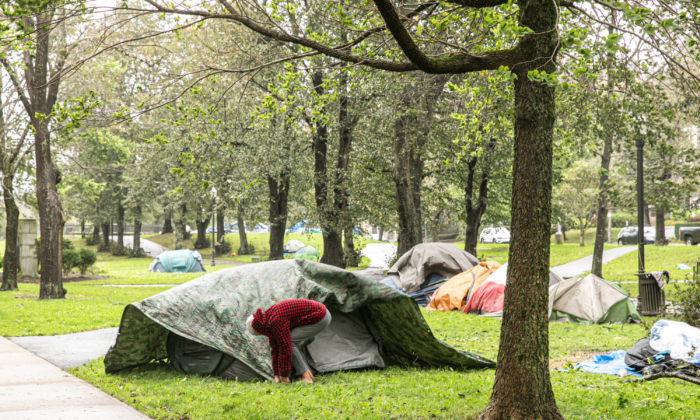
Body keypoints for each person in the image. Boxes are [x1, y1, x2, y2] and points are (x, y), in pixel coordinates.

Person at [246, 298, 331, 384]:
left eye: (259, 334)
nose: (262, 334)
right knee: (289, 342)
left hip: (320, 315)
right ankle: (308, 374)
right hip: (321, 313)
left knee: (289, 342)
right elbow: (275, 349)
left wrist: (284, 377)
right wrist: (276, 375)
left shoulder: (276, 320)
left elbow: (285, 349)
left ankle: (306, 377)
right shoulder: (268, 319)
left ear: (259, 328)